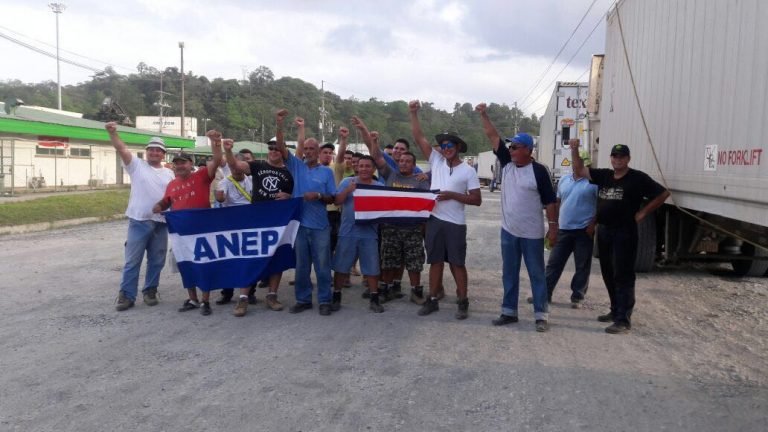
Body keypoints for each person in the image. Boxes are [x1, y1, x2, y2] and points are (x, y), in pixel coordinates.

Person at [570, 139, 670, 334]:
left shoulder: (638, 178)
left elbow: (663, 193)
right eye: (614, 156)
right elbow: (579, 171)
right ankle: (615, 310)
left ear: (628, 159)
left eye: (621, 157)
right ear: (611, 158)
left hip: (625, 232)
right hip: (605, 230)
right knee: (608, 272)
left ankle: (624, 319)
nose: (617, 160)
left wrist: (643, 213)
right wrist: (574, 149)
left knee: (623, 274)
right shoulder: (605, 175)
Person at [476, 103, 557, 332]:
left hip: (532, 234)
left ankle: (541, 315)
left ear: (528, 150)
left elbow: (550, 201)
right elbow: (493, 135)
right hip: (508, 231)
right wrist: (484, 114)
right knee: (509, 273)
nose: (510, 149)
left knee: (536, 274)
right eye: (510, 146)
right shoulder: (507, 164)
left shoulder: (539, 171)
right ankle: (509, 312)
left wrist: (553, 227)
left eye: (516, 146)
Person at [408, 100, 482, 320]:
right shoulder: (437, 161)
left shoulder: (468, 171)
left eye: (451, 145)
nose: (447, 148)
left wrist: (452, 195)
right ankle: (432, 299)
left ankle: (462, 300)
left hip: (455, 223)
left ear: (458, 147)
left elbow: (477, 200)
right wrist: (413, 113)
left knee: (457, 263)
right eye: (444, 145)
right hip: (434, 219)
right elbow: (418, 137)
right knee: (435, 261)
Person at [353, 117, 430, 304]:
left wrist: (422, 228)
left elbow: (426, 207)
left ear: (413, 165)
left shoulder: (420, 181)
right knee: (388, 260)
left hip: (412, 229)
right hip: (390, 227)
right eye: (401, 160)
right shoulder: (389, 173)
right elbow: (376, 155)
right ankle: (386, 290)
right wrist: (367, 131)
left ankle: (416, 292)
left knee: (414, 262)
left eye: (407, 161)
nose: (403, 163)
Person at [105, 122, 175, 311]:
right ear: (146, 152)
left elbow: (174, 196)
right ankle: (126, 296)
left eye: (159, 150)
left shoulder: (169, 173)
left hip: (161, 223)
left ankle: (150, 291)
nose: (155, 153)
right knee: (132, 260)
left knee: (157, 260)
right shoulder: (136, 165)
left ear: (163, 154)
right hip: (139, 221)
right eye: (151, 150)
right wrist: (113, 133)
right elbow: (121, 148)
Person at [152, 131, 223, 316]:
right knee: (186, 265)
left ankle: (205, 301)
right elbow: (166, 201)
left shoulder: (201, 176)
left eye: (183, 162)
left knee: (204, 264)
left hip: (202, 231)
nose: (179, 166)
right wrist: (159, 206)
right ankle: (192, 298)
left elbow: (216, 160)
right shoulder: (172, 184)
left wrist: (215, 142)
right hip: (181, 234)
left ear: (190, 164)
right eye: (176, 164)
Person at [274, 109, 337, 316]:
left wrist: (318, 196)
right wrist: (280, 123)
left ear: (319, 151)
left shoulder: (326, 172)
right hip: (299, 225)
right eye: (306, 148)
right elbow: (281, 147)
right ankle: (303, 299)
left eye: (312, 148)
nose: (308, 151)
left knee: (322, 265)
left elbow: (333, 198)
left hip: (320, 226)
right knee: (301, 267)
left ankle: (325, 300)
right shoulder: (296, 166)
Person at [222, 139, 294, 316]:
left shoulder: (289, 172)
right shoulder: (258, 165)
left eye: (277, 149)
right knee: (251, 257)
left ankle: (272, 295)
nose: (273, 151)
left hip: (278, 220)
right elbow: (235, 165)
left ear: (283, 152)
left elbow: (295, 195)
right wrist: (228, 150)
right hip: (257, 219)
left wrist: (288, 196)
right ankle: (243, 298)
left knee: (276, 259)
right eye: (270, 148)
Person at [540, 151, 598, 308]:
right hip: (563, 229)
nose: (577, 165)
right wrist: (554, 225)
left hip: (583, 231)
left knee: (582, 265)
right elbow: (557, 202)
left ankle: (577, 296)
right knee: (554, 263)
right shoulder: (564, 180)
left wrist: (593, 224)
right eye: (576, 161)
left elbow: (601, 206)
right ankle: (545, 293)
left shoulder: (594, 182)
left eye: (581, 162)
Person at [333, 154, 386, 313]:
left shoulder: (379, 187)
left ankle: (374, 298)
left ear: (373, 169)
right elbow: (337, 201)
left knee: (371, 268)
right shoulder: (347, 182)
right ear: (357, 167)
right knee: (341, 266)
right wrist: (349, 190)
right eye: (361, 166)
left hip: (369, 233)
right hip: (347, 232)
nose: (364, 169)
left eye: (367, 166)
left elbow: (385, 208)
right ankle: (336, 296)